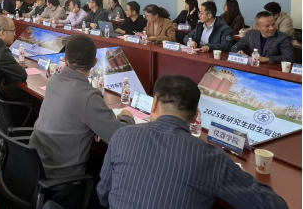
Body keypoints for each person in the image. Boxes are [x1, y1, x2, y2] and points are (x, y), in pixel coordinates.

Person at [97, 75, 288, 209]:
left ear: (154, 104)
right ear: (196, 115)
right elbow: (273, 206)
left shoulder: (122, 135)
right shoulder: (212, 157)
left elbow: (103, 194)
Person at [30, 35, 134, 209]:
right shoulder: (89, 97)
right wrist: (126, 117)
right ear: (95, 63)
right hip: (63, 180)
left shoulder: (54, 79)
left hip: (36, 164)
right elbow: (120, 138)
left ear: (65, 60)